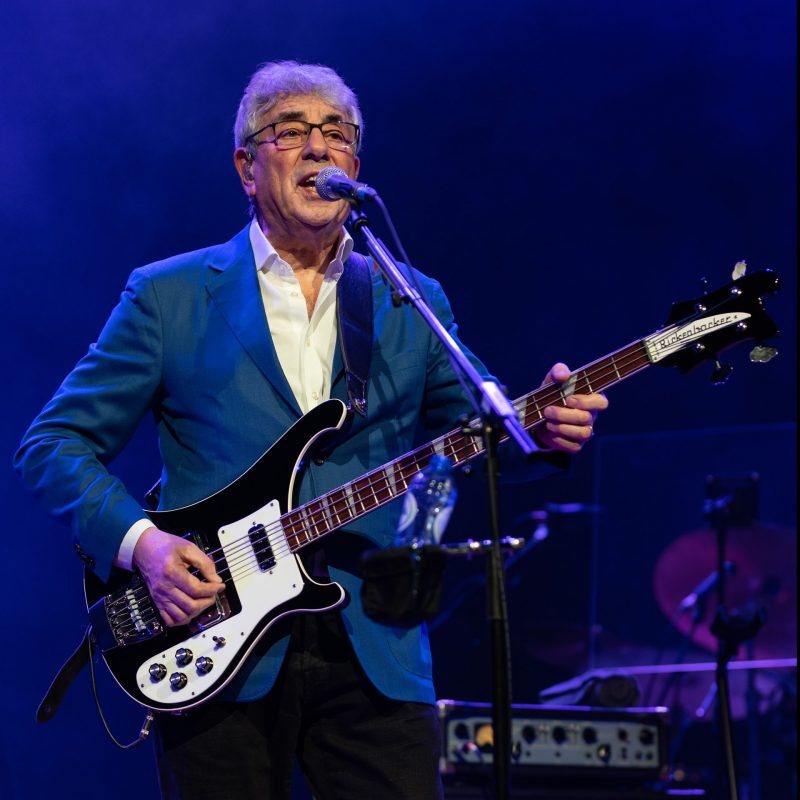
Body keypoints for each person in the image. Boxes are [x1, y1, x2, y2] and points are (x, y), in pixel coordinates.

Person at [15, 60, 608, 799]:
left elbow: (475, 441)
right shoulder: (168, 295)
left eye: (338, 135)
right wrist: (147, 546)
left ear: (355, 167)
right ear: (247, 166)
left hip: (376, 642)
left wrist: (541, 435)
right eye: (291, 132)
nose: (319, 148)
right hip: (213, 638)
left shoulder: (409, 297)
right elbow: (53, 444)